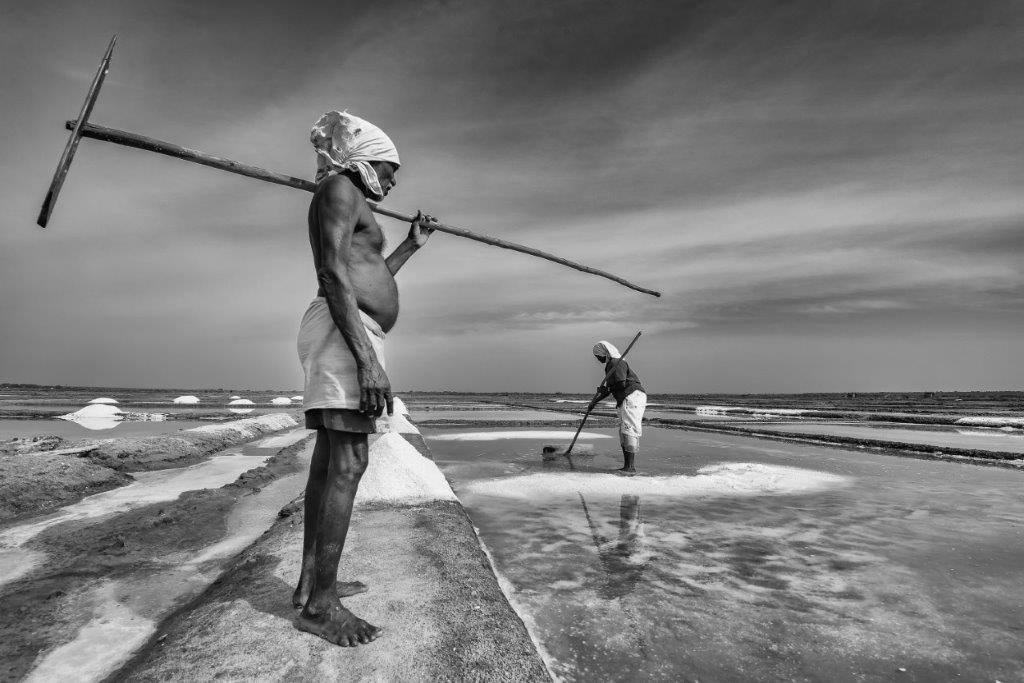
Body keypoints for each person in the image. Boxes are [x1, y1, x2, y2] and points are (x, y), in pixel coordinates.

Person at [293, 110, 438, 647]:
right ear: (363, 160)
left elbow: (365, 273)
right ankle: (321, 606)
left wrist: (409, 245)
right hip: (344, 331)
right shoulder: (337, 189)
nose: (396, 180)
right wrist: (369, 362)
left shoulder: (351, 201)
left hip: (345, 326)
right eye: (390, 167)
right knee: (350, 461)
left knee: (331, 461)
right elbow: (332, 273)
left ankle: (312, 584)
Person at [589, 340, 647, 473]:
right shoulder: (611, 365)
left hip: (632, 396)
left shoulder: (616, 362)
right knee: (623, 431)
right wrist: (594, 402)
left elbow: (620, 384)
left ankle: (630, 467)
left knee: (629, 429)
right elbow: (612, 388)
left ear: (604, 353)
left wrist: (605, 389)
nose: (598, 359)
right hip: (625, 398)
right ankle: (627, 466)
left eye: (598, 356)